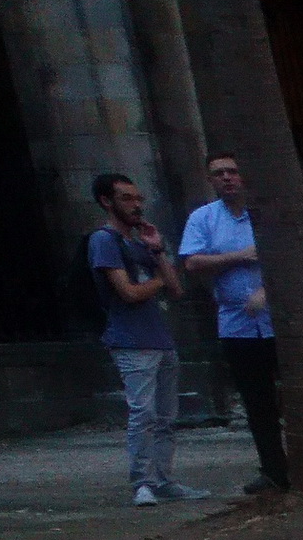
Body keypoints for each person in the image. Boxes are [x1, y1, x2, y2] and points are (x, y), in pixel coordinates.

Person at [86, 171, 196, 506]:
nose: (136, 205)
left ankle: (163, 479)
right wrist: (162, 278)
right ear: (107, 201)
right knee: (143, 414)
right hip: (131, 341)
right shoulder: (104, 241)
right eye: (126, 198)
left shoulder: (138, 244)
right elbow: (129, 292)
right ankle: (142, 483)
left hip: (159, 339)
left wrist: (159, 251)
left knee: (165, 417)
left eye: (138, 198)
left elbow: (178, 289)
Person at [178, 155, 286, 493]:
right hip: (236, 325)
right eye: (218, 173)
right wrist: (239, 256)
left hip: (280, 324)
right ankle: (274, 471)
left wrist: (267, 291)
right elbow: (192, 261)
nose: (227, 178)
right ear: (209, 180)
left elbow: (289, 259)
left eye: (232, 172)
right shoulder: (203, 218)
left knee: (295, 398)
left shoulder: (266, 212)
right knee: (258, 403)